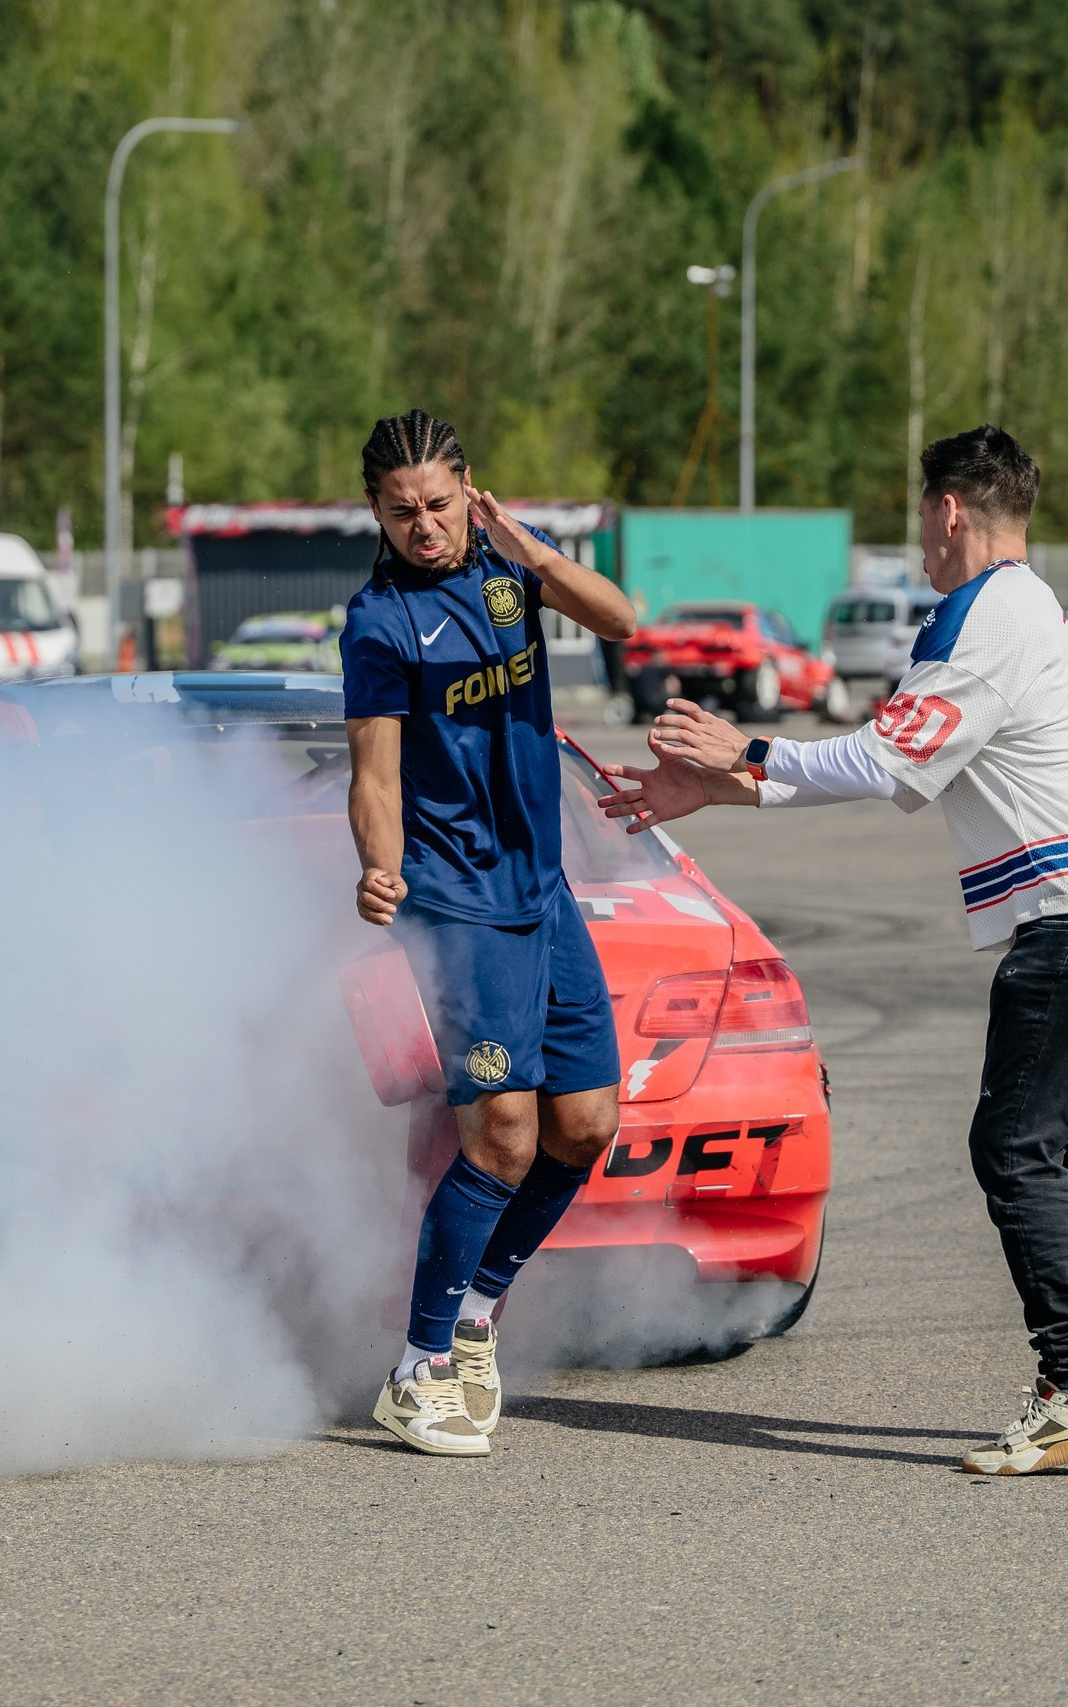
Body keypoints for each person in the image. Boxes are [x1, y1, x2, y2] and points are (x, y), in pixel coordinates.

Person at [598, 424, 1068, 1476]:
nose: (917, 536)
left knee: (1016, 1149)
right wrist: (725, 788)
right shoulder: (1021, 609)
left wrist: (749, 747)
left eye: (918, 513)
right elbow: (905, 770)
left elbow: (881, 759)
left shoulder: (985, 613)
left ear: (949, 509)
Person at [341, 408, 639, 1456]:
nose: (423, 527)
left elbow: (622, 621)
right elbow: (374, 775)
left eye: (437, 504)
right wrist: (378, 864)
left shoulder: (513, 568)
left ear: (469, 490)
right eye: (400, 512)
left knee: (586, 1127)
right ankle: (416, 1369)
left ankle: (474, 1317)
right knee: (505, 1136)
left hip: (542, 890)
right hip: (456, 898)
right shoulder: (379, 622)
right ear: (376, 513)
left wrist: (531, 552)